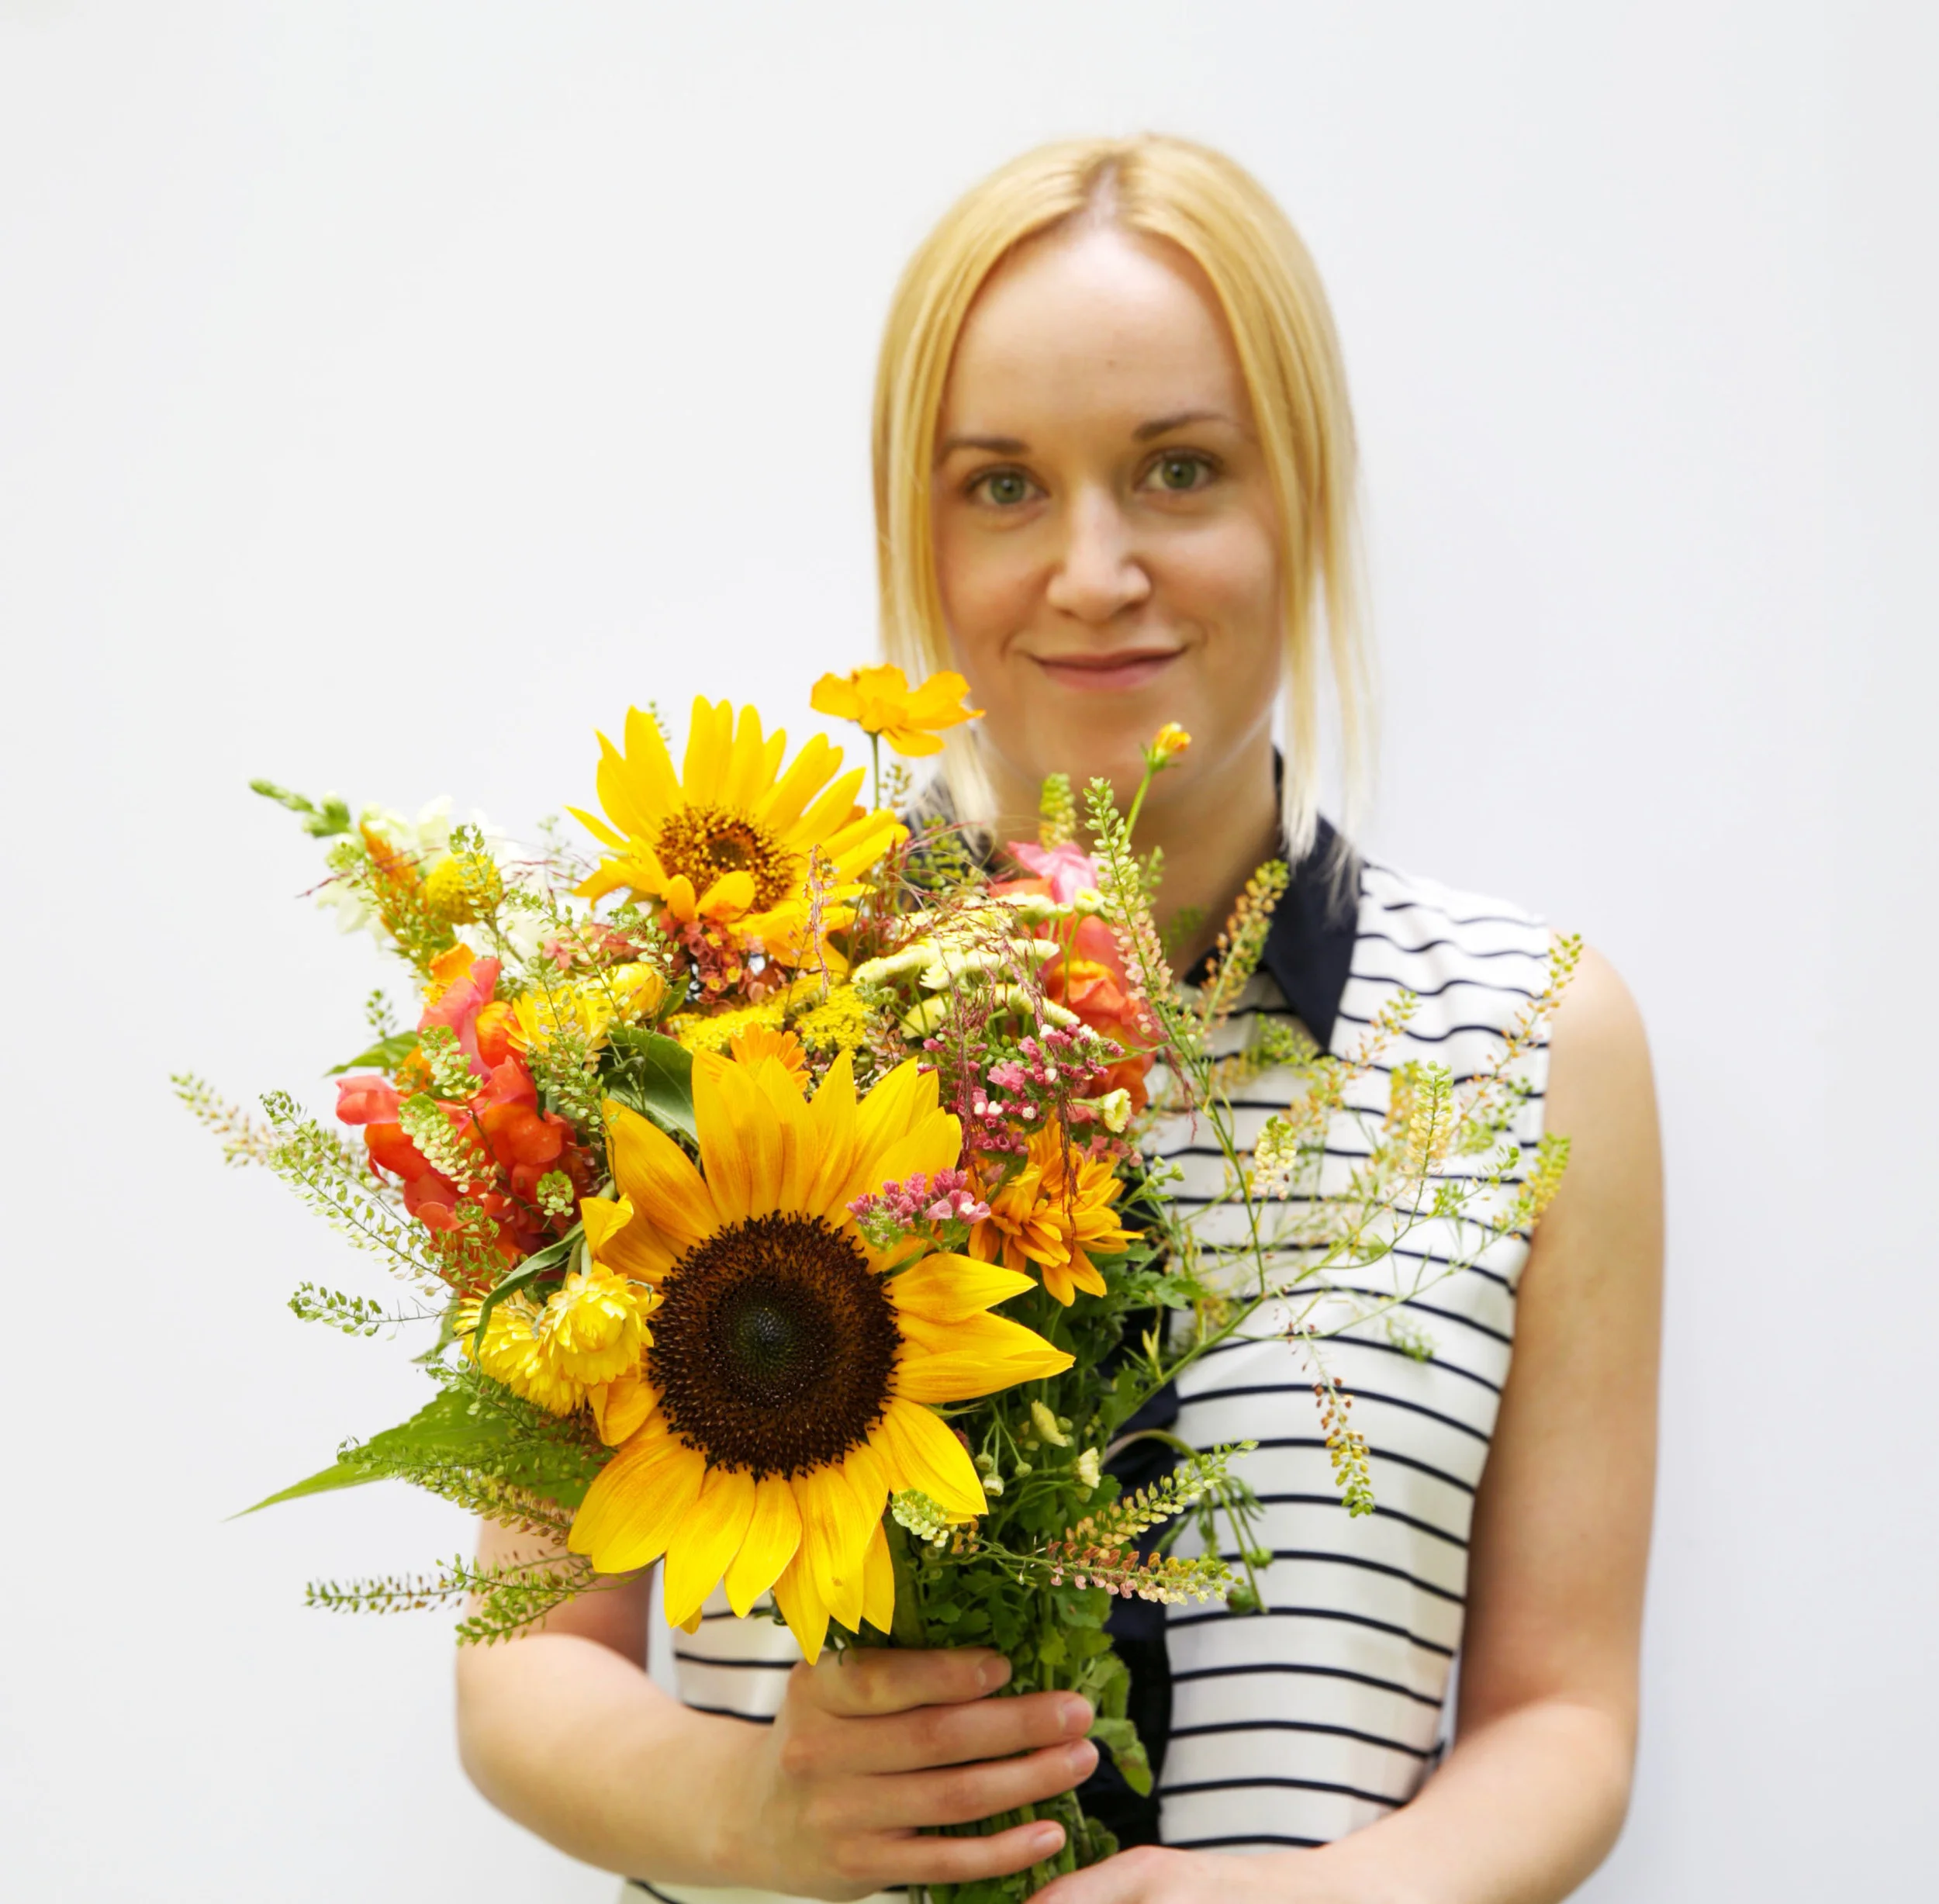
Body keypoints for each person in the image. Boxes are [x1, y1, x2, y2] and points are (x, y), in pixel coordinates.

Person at [456, 135, 1662, 1904]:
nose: (1091, 570)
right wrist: (756, 1819)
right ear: (913, 530)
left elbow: (1564, 1716)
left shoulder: (1530, 1039)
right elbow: (517, 1656)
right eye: (1001, 487)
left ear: (1299, 500)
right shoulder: (699, 1003)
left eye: (1176, 470)